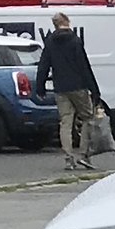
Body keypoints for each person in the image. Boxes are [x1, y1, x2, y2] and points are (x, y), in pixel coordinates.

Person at [35, 9, 103, 173]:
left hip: (60, 88)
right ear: (67, 23)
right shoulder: (75, 41)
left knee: (65, 122)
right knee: (87, 118)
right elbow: (84, 66)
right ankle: (84, 155)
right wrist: (94, 90)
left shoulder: (50, 42)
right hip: (78, 86)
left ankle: (68, 159)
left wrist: (40, 87)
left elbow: (43, 65)